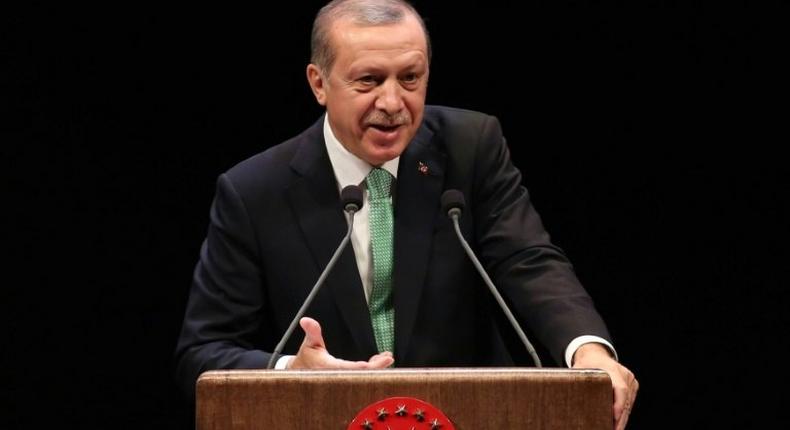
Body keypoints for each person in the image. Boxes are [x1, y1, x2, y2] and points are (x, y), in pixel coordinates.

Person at [174, 0, 638, 428]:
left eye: (410, 79)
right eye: (369, 81)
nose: (393, 104)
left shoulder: (469, 149)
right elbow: (203, 353)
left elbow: (529, 261)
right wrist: (291, 370)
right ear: (319, 83)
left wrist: (588, 352)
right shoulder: (255, 191)